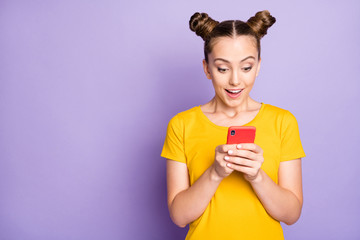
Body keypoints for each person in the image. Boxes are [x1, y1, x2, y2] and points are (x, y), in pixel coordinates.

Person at [161, 10, 305, 240]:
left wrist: (256, 176)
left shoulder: (283, 122)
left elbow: (291, 214)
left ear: (258, 66)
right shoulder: (182, 125)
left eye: (246, 67)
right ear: (207, 68)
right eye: (222, 68)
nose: (235, 80)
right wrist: (215, 173)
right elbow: (179, 216)